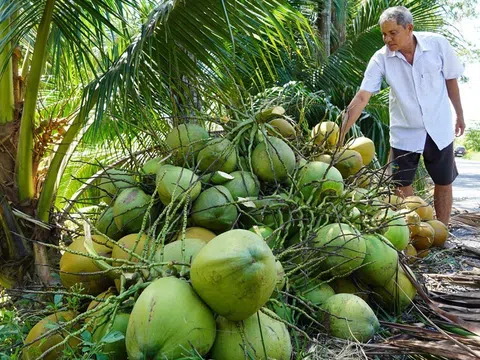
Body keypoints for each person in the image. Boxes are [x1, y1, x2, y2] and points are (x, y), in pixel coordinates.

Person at [339, 6, 465, 226]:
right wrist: (340, 133)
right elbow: (361, 98)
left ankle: (441, 231)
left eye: (393, 33)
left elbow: (451, 80)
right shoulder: (381, 59)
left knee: (443, 181)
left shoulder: (437, 45)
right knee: (400, 183)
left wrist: (460, 115)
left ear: (409, 28)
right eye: (384, 34)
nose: (387, 39)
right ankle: (417, 230)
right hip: (405, 132)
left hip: (439, 127)